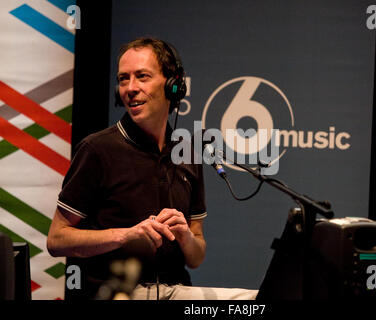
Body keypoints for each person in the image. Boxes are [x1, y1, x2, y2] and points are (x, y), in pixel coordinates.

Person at [47, 37, 257, 300]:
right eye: (124, 79)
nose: (130, 88)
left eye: (142, 76)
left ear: (173, 85)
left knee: (255, 302)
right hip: (117, 291)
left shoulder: (187, 152)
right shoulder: (97, 150)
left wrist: (185, 237)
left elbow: (196, 256)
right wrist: (127, 236)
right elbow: (57, 240)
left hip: (176, 291)